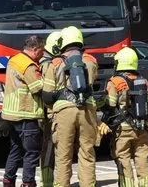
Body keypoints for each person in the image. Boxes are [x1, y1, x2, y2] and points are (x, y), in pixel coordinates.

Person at [41, 26, 98, 187]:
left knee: (63, 156)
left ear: (63, 42)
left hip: (64, 112)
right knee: (87, 154)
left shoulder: (56, 63)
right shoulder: (90, 61)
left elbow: (46, 95)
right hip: (87, 109)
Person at [101, 47, 148, 187]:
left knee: (123, 160)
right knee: (142, 161)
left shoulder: (115, 82)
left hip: (122, 129)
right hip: (141, 128)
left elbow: (110, 105)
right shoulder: (143, 82)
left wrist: (104, 121)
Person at [1, 35, 44, 187]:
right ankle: (28, 182)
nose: (43, 54)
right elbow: (38, 88)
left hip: (11, 114)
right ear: (35, 49)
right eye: (41, 51)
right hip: (26, 113)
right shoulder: (29, 66)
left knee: (15, 150)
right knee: (31, 152)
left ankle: (8, 180)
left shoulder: (15, 60)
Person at [37, 31, 62, 187]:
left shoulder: (44, 62)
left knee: (50, 146)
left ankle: (48, 181)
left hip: (50, 111)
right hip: (49, 112)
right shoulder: (47, 64)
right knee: (49, 146)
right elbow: (47, 92)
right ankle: (47, 182)